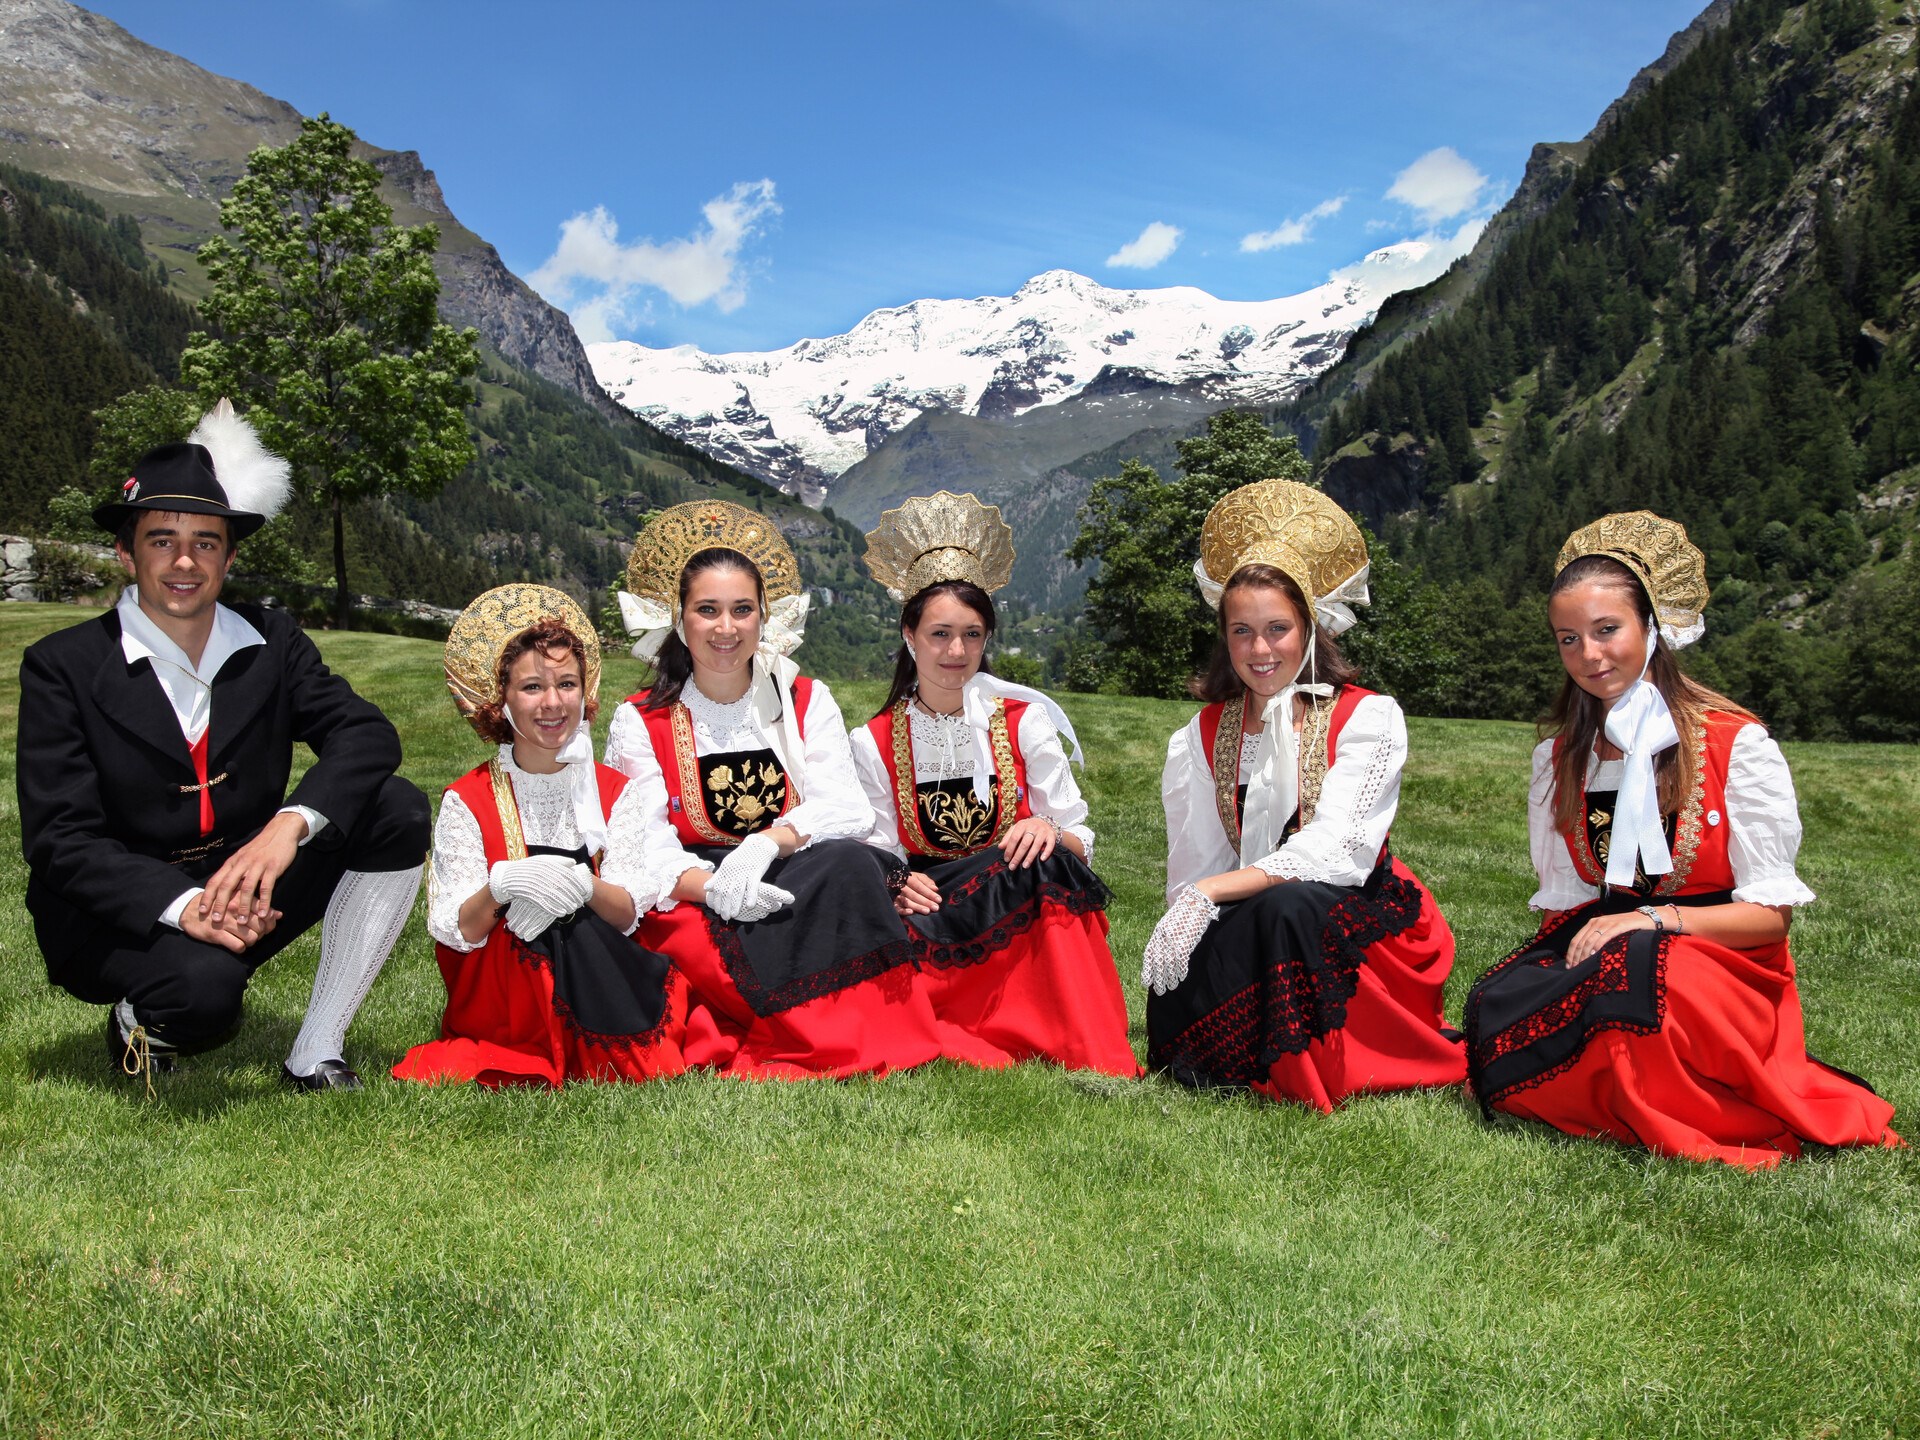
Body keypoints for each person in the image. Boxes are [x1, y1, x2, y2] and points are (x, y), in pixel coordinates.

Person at [1462, 512, 1901, 1166]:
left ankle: (1680, 1103)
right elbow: (1571, 902)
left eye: (1606, 630)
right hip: (1616, 944)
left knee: (1638, 968)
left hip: (1721, 960)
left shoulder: (1735, 746)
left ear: (1653, 627)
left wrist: (1652, 919)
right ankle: (1609, 1086)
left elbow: (1770, 919)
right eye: (1568, 639)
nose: (1589, 656)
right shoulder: (1560, 758)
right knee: (1503, 1002)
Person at [16, 401, 429, 1091]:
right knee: (204, 996)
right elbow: (60, 839)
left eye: (206, 543)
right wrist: (185, 908)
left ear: (229, 556)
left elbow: (365, 733)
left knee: (395, 808)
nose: (185, 560)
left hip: (246, 878)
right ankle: (137, 1015)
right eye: (161, 540)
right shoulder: (62, 666)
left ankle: (317, 1048)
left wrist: (286, 829)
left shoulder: (272, 640)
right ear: (126, 552)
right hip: (116, 910)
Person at [1142, 479, 1464, 1110]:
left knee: (1287, 908)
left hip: (1357, 909)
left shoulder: (1367, 718)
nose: (1259, 649)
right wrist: (1190, 910)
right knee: (1175, 998)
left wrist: (1214, 893)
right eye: (1241, 630)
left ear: (1311, 627)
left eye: (1277, 628)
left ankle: (1318, 1063)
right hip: (1258, 905)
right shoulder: (1201, 736)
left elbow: (1338, 850)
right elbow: (1201, 861)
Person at [604, 500, 942, 1079]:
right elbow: (642, 848)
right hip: (697, 890)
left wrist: (769, 843)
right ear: (678, 619)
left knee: (848, 863)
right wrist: (718, 889)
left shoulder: (806, 699)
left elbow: (846, 807)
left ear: (765, 617)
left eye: (742, 610)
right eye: (707, 610)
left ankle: (861, 1029)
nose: (726, 628)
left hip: (794, 869)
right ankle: (808, 1023)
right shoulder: (641, 720)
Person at [850, 491, 1138, 1075]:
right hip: (935, 914)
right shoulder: (873, 740)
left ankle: (1076, 1037)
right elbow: (875, 849)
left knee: (1051, 861)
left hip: (1014, 908)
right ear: (908, 634)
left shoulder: (1024, 721)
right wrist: (896, 882)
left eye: (973, 634)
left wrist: (1047, 827)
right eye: (940, 633)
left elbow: (1080, 841)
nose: (957, 651)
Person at [393, 586, 686, 1088]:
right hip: (507, 992)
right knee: (538, 925)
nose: (553, 703)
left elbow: (626, 914)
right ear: (500, 700)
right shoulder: (469, 798)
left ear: (585, 692)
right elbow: (459, 930)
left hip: (597, 971)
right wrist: (503, 886)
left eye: (567, 684)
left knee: (576, 921)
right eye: (531, 687)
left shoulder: (615, 791)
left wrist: (583, 886)